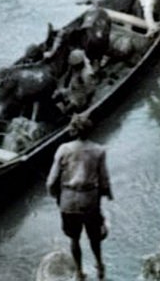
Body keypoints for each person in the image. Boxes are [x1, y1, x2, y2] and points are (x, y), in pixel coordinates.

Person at [47, 114, 112, 281]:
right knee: (94, 237)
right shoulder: (98, 150)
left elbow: (52, 181)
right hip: (90, 200)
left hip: (68, 200)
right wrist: (107, 193)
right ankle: (100, 266)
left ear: (73, 130)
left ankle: (79, 272)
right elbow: (104, 179)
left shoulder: (63, 149)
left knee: (74, 239)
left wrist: (57, 196)